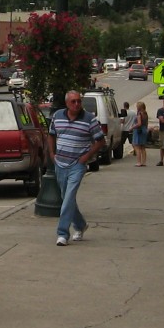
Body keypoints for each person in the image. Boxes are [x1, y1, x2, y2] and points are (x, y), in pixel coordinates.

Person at [47, 90, 105, 246]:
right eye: (73, 101)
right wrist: (52, 154)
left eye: (79, 101)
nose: (77, 104)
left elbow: (100, 141)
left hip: (77, 165)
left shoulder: (89, 119)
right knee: (67, 198)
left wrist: (86, 157)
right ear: (67, 103)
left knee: (68, 197)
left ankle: (62, 233)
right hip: (60, 163)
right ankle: (80, 225)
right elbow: (51, 135)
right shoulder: (58, 116)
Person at [130, 101, 149, 166]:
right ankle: (144, 162)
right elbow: (146, 123)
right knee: (143, 147)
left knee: (137, 146)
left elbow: (139, 123)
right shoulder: (145, 113)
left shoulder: (139, 114)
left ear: (139, 107)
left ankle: (139, 162)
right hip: (144, 130)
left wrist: (132, 127)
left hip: (138, 131)